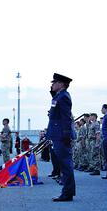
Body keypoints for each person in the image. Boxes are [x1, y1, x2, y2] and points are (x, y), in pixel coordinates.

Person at [46, 73, 76, 202]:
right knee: (63, 164)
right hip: (57, 133)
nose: (52, 85)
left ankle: (67, 193)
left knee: (65, 164)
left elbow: (66, 117)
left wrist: (66, 135)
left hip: (61, 135)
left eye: (54, 82)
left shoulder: (63, 97)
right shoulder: (59, 96)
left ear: (62, 84)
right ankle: (67, 192)